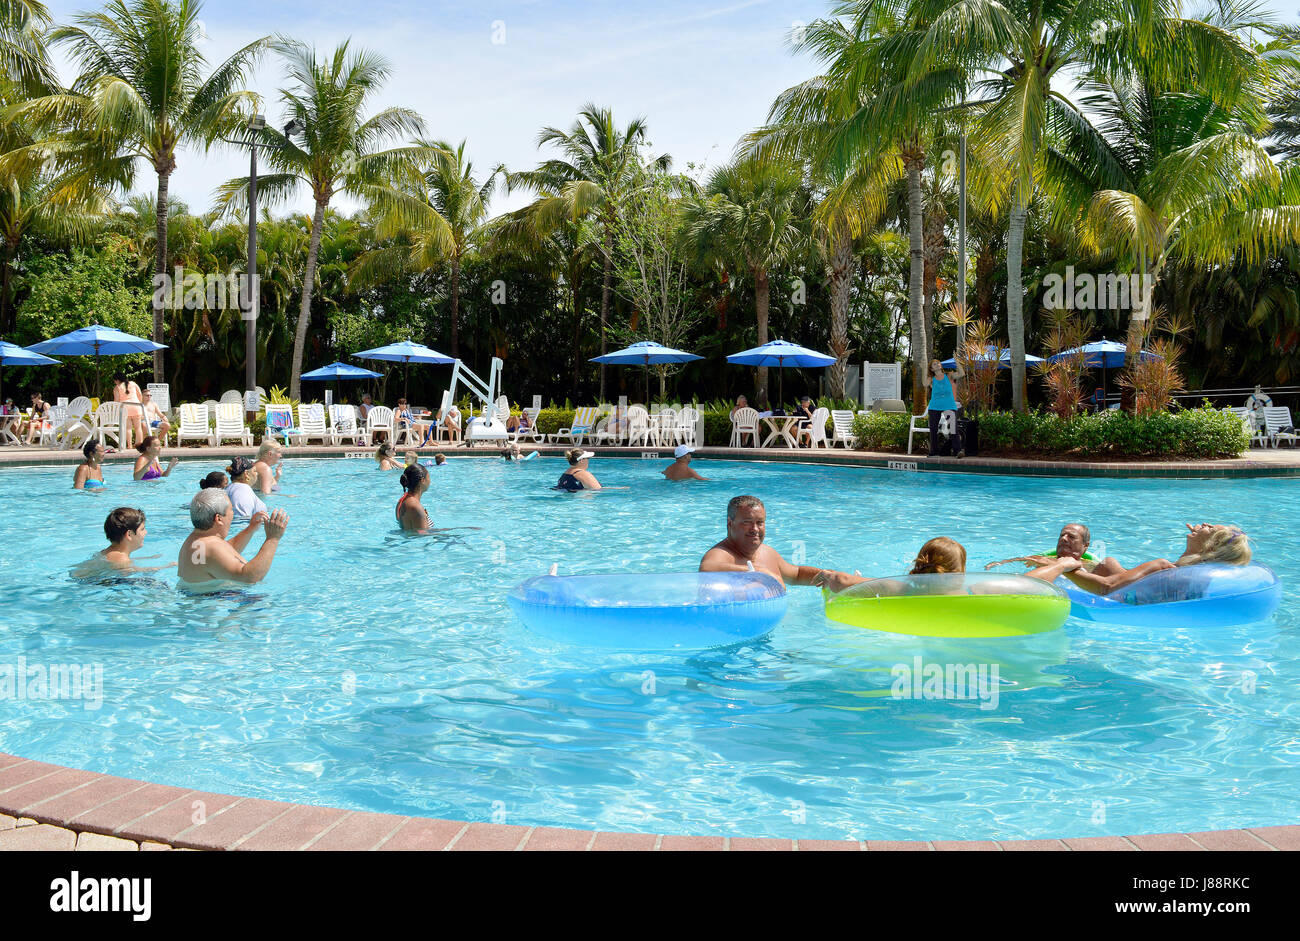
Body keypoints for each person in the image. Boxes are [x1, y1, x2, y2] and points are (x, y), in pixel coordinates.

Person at [1027, 523, 1253, 595]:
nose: (1202, 524)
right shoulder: (1199, 576)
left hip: (1116, 601)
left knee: (1108, 565)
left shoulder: (1162, 566)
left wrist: (1067, 567)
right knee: (1109, 563)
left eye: (1209, 527)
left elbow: (1107, 588)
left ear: (1210, 545)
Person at [699, 495, 862, 590]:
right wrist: (757, 572)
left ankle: (872, 586)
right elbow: (707, 568)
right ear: (730, 524)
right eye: (746, 522)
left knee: (838, 578)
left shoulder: (766, 552)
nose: (754, 529)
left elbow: (796, 575)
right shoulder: (721, 553)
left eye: (760, 522)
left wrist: (825, 575)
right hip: (735, 637)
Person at [178, 489, 288, 587]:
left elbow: (224, 554)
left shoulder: (197, 540)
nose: (233, 514)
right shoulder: (210, 547)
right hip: (208, 602)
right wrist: (273, 539)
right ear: (219, 518)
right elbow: (250, 578)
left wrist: (250, 529)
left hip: (199, 599)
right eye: (231, 510)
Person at [72, 507, 176, 577]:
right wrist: (166, 566)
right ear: (129, 535)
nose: (146, 533)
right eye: (142, 529)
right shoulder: (121, 559)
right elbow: (134, 570)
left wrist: (148, 558)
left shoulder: (112, 552)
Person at [922, 357, 965, 458]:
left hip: (949, 405)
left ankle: (957, 451)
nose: (937, 364)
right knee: (933, 429)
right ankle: (934, 452)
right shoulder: (931, 379)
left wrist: (957, 361)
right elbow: (924, 384)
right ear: (932, 369)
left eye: (938, 363)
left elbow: (962, 373)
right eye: (934, 364)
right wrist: (924, 369)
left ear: (941, 366)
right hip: (935, 406)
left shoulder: (948, 375)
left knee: (953, 428)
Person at [225, 457, 269, 522]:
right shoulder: (243, 492)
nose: (257, 474)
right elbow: (240, 523)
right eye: (254, 471)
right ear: (247, 474)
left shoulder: (229, 488)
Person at [396, 462, 433, 533]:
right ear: (422, 480)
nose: (430, 481)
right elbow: (422, 536)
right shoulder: (414, 506)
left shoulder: (403, 500)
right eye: (429, 477)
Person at [112, 374, 145, 449]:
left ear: (117, 380)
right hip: (136, 406)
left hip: (125, 407)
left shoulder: (117, 387)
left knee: (128, 428)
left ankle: (129, 446)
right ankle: (140, 445)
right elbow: (140, 394)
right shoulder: (133, 384)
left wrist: (116, 410)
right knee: (138, 428)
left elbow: (116, 400)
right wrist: (139, 403)